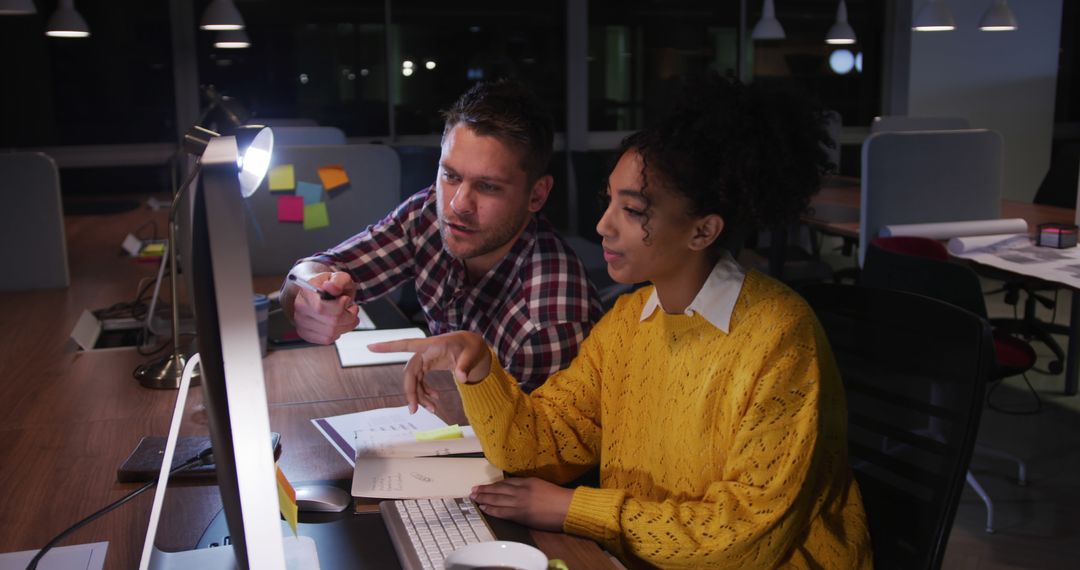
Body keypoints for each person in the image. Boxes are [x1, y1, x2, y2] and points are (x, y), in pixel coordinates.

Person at [371, 74, 872, 569]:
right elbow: (541, 445)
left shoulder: (779, 337)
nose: (603, 225)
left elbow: (743, 539)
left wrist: (573, 509)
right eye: (608, 199)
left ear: (703, 231)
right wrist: (477, 364)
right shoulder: (630, 320)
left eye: (631, 210)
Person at [280, 79, 603, 392]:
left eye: (488, 186)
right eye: (450, 175)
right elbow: (321, 267)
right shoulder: (429, 216)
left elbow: (540, 444)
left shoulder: (549, 317)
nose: (458, 203)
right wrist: (307, 291)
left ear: (537, 195)